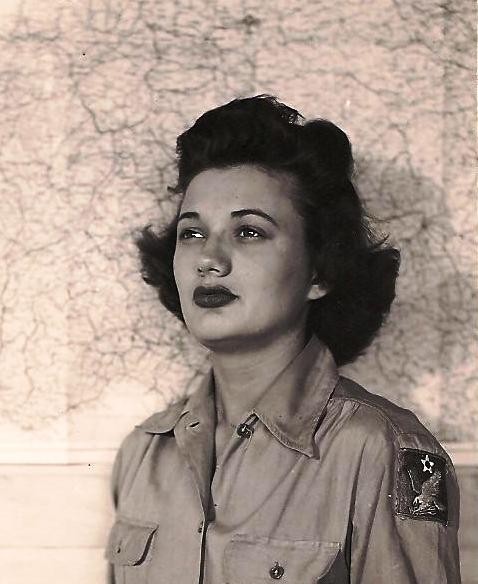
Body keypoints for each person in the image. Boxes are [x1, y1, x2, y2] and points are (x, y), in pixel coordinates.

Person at [104, 95, 461, 583]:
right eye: (192, 234)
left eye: (249, 232)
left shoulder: (380, 449)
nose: (210, 260)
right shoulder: (142, 454)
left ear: (319, 271)